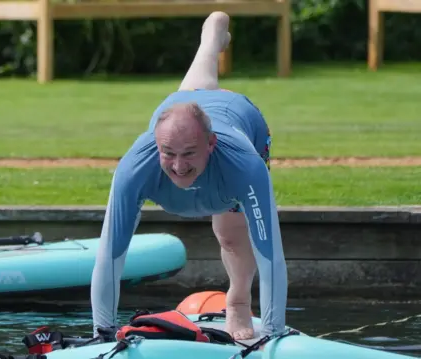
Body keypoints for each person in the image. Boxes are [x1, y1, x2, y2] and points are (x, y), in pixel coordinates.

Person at [90, 11, 287, 341]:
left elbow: (271, 256)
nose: (179, 166)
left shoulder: (243, 166)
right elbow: (111, 254)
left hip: (241, 120)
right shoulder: (134, 168)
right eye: (169, 154)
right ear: (156, 143)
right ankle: (210, 40)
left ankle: (238, 300)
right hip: (180, 105)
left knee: (229, 233)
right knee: (192, 94)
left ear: (210, 145)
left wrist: (272, 333)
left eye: (189, 155)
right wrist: (102, 332)